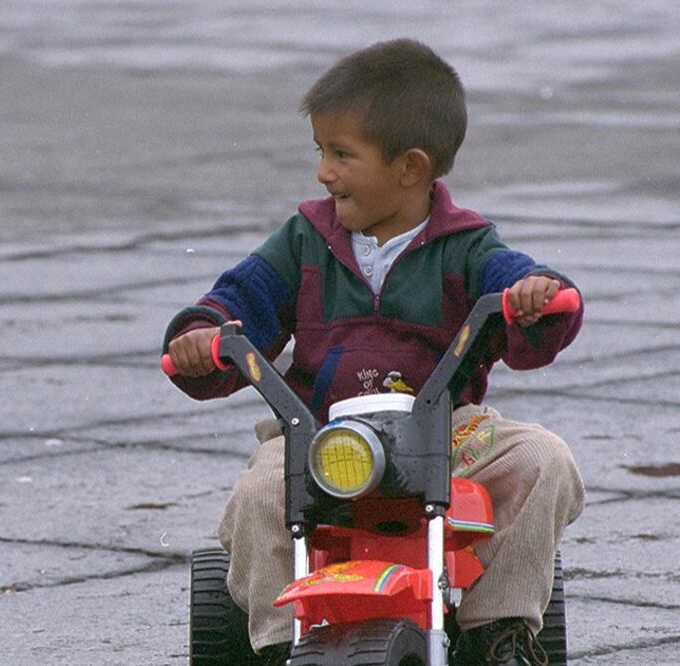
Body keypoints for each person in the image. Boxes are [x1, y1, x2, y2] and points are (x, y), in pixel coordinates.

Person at [163, 38, 584, 666]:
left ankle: (499, 630)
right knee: (258, 497)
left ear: (410, 168)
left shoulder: (466, 246)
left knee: (544, 459)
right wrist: (206, 332)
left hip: (446, 434)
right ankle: (283, 645)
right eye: (321, 152)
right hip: (321, 436)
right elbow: (242, 295)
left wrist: (536, 297)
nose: (323, 172)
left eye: (341, 154)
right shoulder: (306, 237)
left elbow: (520, 288)